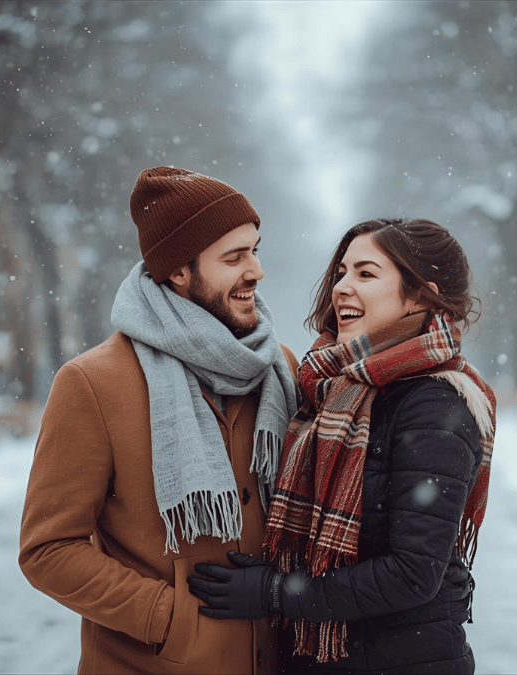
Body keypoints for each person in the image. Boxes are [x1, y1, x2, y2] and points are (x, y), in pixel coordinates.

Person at [19, 166, 299, 674]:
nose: (256, 271)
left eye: (255, 250)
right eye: (234, 257)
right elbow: (49, 549)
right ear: (178, 271)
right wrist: (169, 618)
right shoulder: (92, 383)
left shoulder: (278, 368)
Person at [188, 217, 497, 674]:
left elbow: (413, 574)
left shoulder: (434, 403)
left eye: (366, 274)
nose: (341, 288)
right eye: (341, 273)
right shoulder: (330, 388)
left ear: (421, 297)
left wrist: (274, 592)